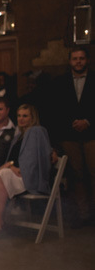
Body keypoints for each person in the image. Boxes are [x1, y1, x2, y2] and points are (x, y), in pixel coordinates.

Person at [49, 47, 95, 225]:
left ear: (87, 60)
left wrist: (88, 122)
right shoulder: (60, 82)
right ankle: (82, 214)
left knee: (93, 172)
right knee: (76, 174)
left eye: (82, 58)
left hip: (92, 133)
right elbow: (56, 108)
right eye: (75, 58)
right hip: (68, 134)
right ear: (70, 61)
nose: (78, 61)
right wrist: (72, 123)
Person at [0, 104, 52, 232]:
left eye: (25, 116)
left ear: (32, 117)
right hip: (15, 174)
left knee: (2, 176)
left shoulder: (36, 131)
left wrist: (10, 167)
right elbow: (12, 161)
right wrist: (10, 166)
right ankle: (1, 220)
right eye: (19, 116)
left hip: (27, 176)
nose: (21, 119)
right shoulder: (19, 136)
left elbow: (35, 159)